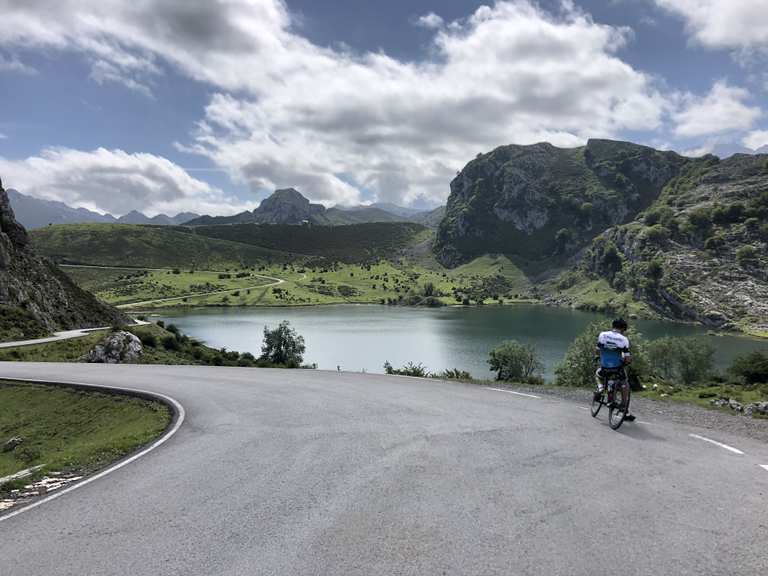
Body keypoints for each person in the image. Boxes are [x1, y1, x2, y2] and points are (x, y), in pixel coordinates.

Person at [594, 318, 636, 421]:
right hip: (616, 368)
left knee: (597, 374)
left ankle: (600, 388)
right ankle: (623, 406)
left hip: (604, 366)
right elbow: (627, 358)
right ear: (623, 329)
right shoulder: (624, 339)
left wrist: (601, 357)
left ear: (613, 326)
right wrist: (628, 361)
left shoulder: (603, 335)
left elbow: (597, 350)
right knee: (624, 383)